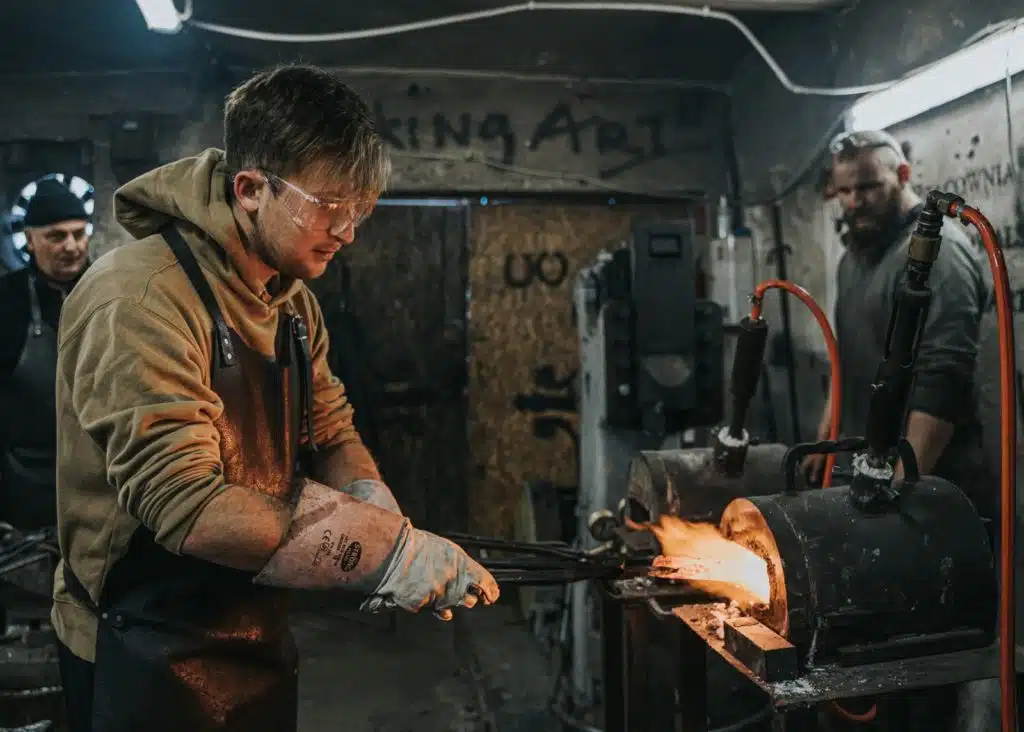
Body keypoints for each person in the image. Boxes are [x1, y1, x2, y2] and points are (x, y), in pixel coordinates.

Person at [52, 64, 499, 732]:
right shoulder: (140, 299)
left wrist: (372, 503)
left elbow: (332, 431)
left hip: (253, 629)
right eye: (330, 206)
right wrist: (381, 554)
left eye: (360, 210)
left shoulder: (292, 305)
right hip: (138, 645)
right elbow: (187, 506)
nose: (349, 231)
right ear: (251, 189)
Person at [803, 129, 993, 731]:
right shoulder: (853, 259)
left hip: (932, 493)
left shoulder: (942, 253)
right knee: (869, 661)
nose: (854, 201)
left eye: (868, 187)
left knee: (923, 674)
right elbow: (849, 358)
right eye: (844, 191)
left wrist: (903, 484)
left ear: (904, 177)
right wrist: (829, 430)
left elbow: (943, 378)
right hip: (871, 482)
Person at [0, 177, 91, 530]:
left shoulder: (111, 292)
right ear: (29, 239)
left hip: (102, 480)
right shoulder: (7, 301)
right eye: (56, 236)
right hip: (27, 484)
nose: (71, 246)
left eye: (78, 233)